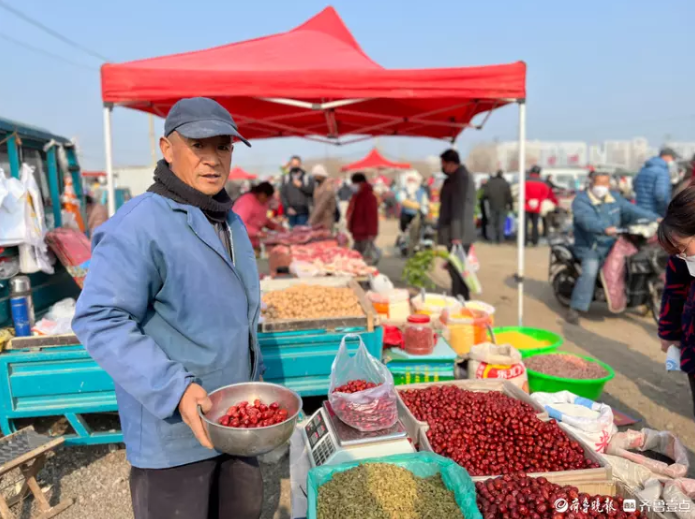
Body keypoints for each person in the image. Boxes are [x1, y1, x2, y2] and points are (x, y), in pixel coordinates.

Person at [72, 97, 263, 519]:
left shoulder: (230, 221)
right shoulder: (139, 224)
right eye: (199, 145)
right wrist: (174, 389)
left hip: (234, 423)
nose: (213, 160)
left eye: (223, 147)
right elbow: (99, 318)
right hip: (173, 435)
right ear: (166, 147)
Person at [567, 171, 658, 325]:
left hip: (614, 244)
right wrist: (605, 228)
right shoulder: (581, 201)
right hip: (590, 246)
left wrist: (656, 217)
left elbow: (632, 210)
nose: (602, 187)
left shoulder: (615, 198)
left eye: (605, 183)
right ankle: (575, 308)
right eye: (599, 183)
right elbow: (586, 220)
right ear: (591, 183)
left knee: (636, 261)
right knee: (590, 271)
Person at [656, 185, 695, 415]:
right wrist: (669, 334)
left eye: (683, 248)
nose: (681, 256)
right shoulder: (681, 259)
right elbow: (674, 291)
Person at [438, 149, 476, 300]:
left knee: (458, 271)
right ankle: (461, 299)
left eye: (443, 164)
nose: (442, 167)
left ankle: (460, 300)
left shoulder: (460, 178)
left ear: (450, 163)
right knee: (458, 270)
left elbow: (458, 208)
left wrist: (455, 235)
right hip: (457, 231)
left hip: (458, 233)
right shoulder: (456, 177)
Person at [232, 181, 282, 253]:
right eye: (266, 197)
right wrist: (257, 233)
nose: (267, 200)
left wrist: (275, 226)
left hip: (254, 242)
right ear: (261, 194)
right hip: (240, 243)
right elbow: (238, 223)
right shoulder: (246, 201)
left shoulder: (263, 202)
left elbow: (262, 219)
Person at [633, 147, 679, 217]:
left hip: (640, 210)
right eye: (673, 158)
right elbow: (661, 195)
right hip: (654, 213)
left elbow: (635, 186)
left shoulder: (644, 168)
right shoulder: (662, 171)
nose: (673, 161)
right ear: (667, 156)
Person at [347, 172, 379, 262]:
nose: (352, 185)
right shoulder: (356, 196)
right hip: (356, 232)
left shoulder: (369, 197)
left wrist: (372, 233)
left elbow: (372, 217)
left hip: (365, 233)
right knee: (356, 258)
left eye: (353, 183)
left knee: (364, 258)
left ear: (360, 183)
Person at [524, 165, 557, 246]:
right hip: (537, 206)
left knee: (525, 224)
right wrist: (538, 200)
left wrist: (528, 199)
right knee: (535, 224)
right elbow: (545, 194)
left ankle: (524, 241)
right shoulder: (542, 183)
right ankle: (535, 240)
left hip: (526, 205)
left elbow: (522, 192)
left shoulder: (525, 181)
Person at [280, 155, 314, 227]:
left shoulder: (306, 177)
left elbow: (311, 191)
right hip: (290, 211)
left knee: (302, 234)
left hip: (303, 212)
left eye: (296, 164)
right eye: (293, 164)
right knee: (292, 234)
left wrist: (301, 186)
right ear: (291, 165)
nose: (295, 166)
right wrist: (287, 207)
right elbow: (283, 194)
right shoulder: (286, 178)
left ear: (300, 164)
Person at [483, 170, 513, 244]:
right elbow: (509, 196)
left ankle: (492, 239)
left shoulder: (490, 183)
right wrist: (511, 205)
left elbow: (485, 194)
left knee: (492, 223)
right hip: (502, 206)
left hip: (492, 205)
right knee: (501, 223)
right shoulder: (505, 184)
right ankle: (500, 239)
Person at [308, 164, 337, 231]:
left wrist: (311, 220)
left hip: (326, 219)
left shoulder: (328, 187)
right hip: (318, 218)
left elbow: (322, 204)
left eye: (316, 175)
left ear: (321, 175)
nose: (314, 177)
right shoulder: (319, 186)